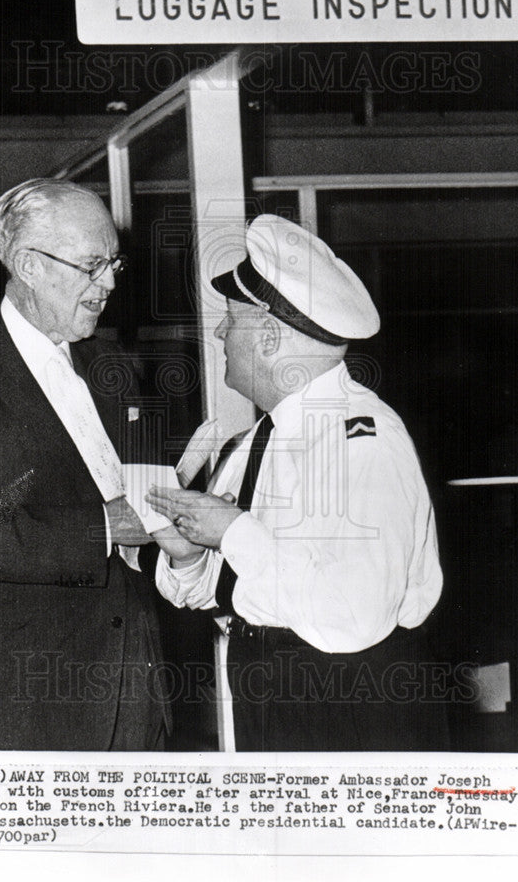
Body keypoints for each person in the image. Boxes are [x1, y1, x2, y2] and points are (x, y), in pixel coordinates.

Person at [147, 214, 446, 752]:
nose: (219, 333)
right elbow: (238, 591)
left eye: (231, 319)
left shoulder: (362, 440)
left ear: (266, 334)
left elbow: (353, 617)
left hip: (349, 709)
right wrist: (190, 555)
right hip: (275, 695)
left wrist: (234, 531)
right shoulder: (258, 439)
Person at [0, 178, 170, 750]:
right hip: (21, 698)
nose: (111, 283)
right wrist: (107, 525)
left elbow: (139, 496)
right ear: (27, 265)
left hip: (131, 679)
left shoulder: (110, 363)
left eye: (113, 263)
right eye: (92, 265)